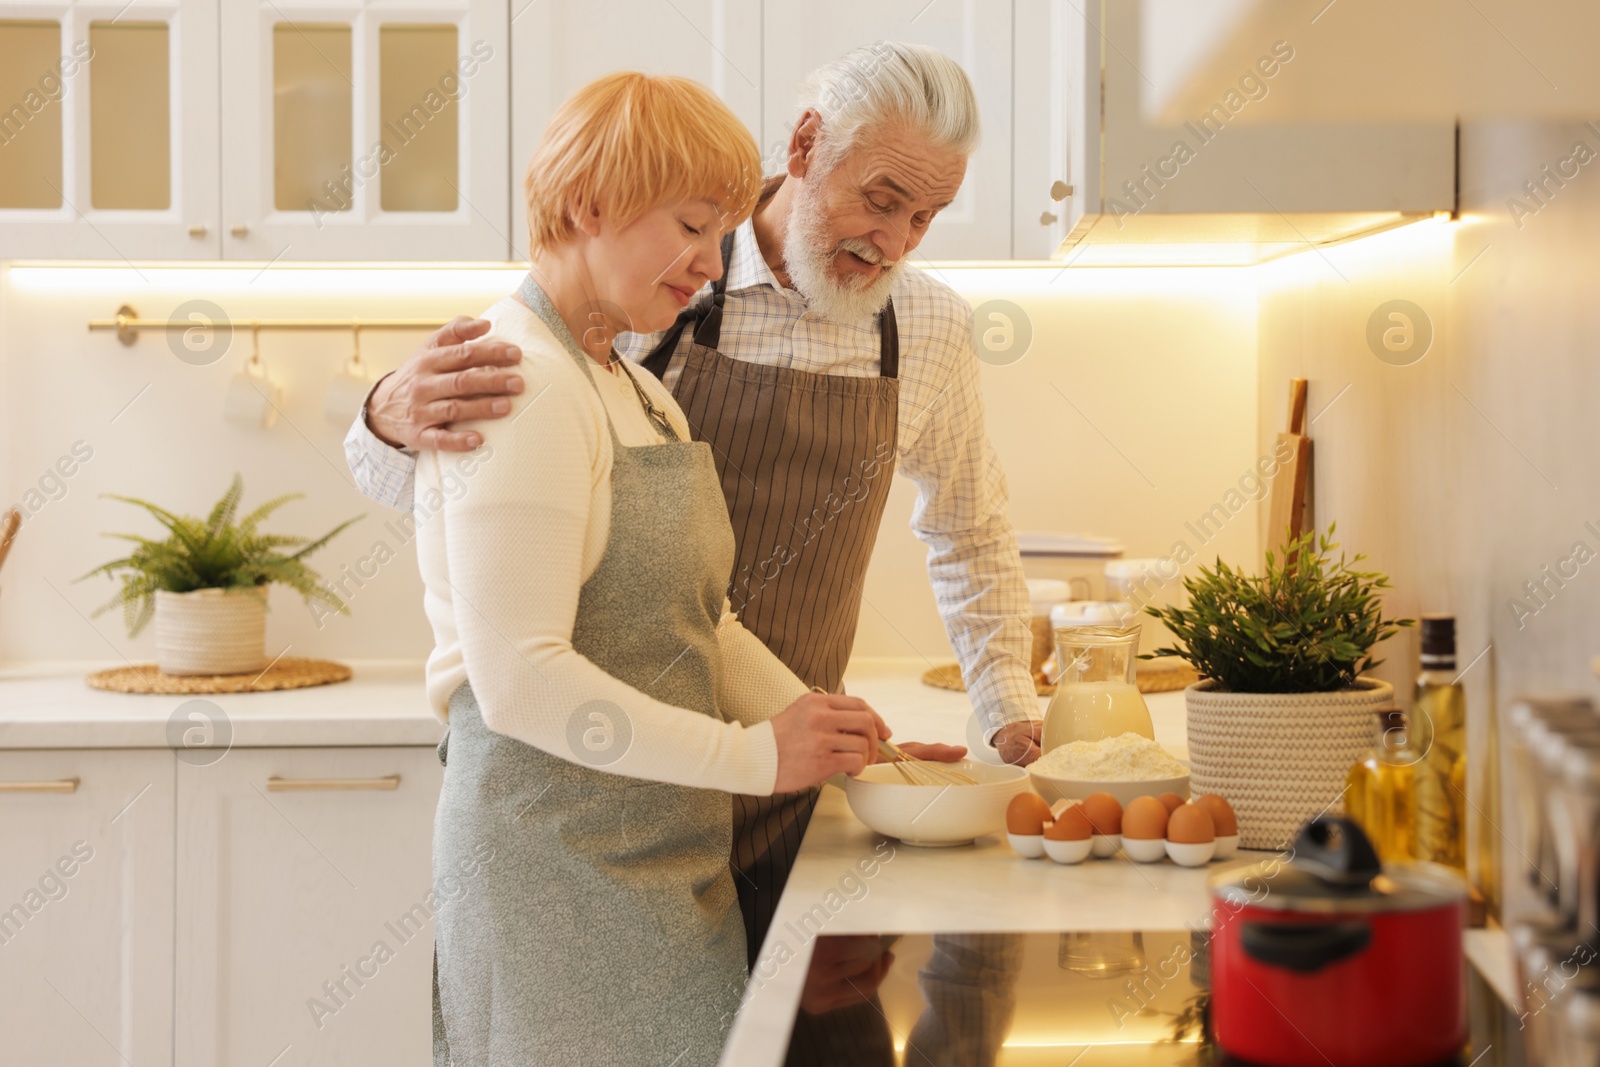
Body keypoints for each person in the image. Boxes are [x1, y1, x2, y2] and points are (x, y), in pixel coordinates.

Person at [347, 40, 1040, 1021]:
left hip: (772, 793)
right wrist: (385, 412)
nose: (895, 239)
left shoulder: (905, 331)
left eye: (923, 219)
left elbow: (958, 534)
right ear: (805, 147)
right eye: (881, 199)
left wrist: (861, 743)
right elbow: (468, 543)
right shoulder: (609, 319)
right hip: (607, 793)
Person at [419, 71, 915, 1066]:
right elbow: (517, 678)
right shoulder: (518, 382)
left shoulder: (633, 389)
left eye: (722, 229)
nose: (711, 259)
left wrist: (839, 734)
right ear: (587, 204)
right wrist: (755, 757)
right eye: (691, 225)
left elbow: (707, 621)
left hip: (662, 864)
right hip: (555, 879)